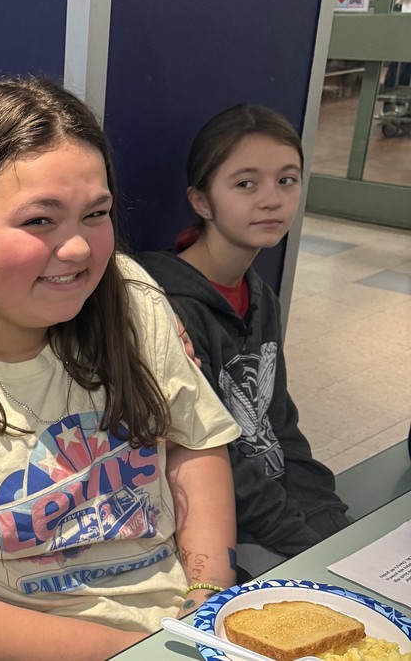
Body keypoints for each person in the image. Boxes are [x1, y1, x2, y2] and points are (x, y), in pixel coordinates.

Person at [0, 78, 240, 661]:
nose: (79, 250)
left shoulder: (132, 298)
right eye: (40, 220)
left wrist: (210, 595)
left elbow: (196, 443)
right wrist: (142, 652)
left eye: (96, 214)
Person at [136, 104, 351, 579]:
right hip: (215, 529)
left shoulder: (261, 297)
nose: (272, 200)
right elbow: (216, 461)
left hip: (278, 515)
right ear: (201, 201)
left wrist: (332, 522)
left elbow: (280, 426)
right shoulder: (170, 306)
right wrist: (306, 542)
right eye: (245, 184)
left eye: (287, 180)